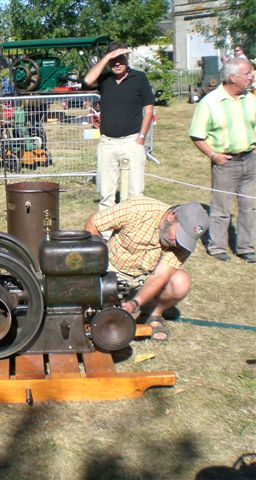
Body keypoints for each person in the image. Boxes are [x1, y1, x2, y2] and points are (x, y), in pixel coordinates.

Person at [84, 197, 209, 341]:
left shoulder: (183, 243)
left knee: (181, 282)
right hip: (110, 267)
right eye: (180, 235)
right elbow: (94, 223)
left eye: (186, 239)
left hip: (147, 275)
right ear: (171, 216)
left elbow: (160, 276)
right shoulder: (139, 209)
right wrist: (95, 263)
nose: (179, 243)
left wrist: (135, 303)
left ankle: (154, 314)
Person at [190, 58, 256, 264]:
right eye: (247, 74)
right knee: (221, 208)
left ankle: (246, 247)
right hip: (225, 163)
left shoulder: (250, 98)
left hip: (250, 160)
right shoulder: (209, 102)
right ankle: (217, 247)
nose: (251, 77)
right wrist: (213, 155)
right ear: (232, 77)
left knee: (250, 206)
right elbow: (197, 135)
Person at [83, 42, 155, 211]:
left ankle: (133, 231)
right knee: (106, 194)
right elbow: (87, 80)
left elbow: (149, 108)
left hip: (132, 141)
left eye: (120, 58)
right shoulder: (104, 80)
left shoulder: (139, 78)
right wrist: (108, 56)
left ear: (127, 58)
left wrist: (141, 138)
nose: (117, 63)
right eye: (113, 60)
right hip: (107, 143)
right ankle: (106, 234)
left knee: (135, 192)